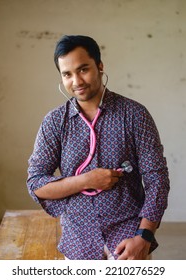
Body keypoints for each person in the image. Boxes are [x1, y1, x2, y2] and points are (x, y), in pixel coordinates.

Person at [27, 35, 170, 260]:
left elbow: (157, 179)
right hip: (78, 239)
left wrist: (144, 236)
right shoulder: (55, 122)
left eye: (83, 69)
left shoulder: (135, 115)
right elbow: (36, 184)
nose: (77, 81)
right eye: (67, 74)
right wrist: (86, 180)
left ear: (100, 66)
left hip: (128, 236)